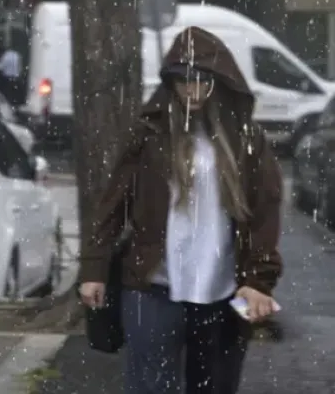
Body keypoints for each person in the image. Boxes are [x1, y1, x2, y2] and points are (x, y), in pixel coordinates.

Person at [78, 26, 283, 394]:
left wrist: (258, 280)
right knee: (150, 385)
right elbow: (113, 204)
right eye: (182, 81)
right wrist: (94, 268)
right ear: (170, 83)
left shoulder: (245, 139)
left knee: (214, 386)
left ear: (218, 82)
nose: (192, 91)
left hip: (221, 289)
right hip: (152, 285)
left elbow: (265, 211)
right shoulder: (150, 133)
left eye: (201, 81)